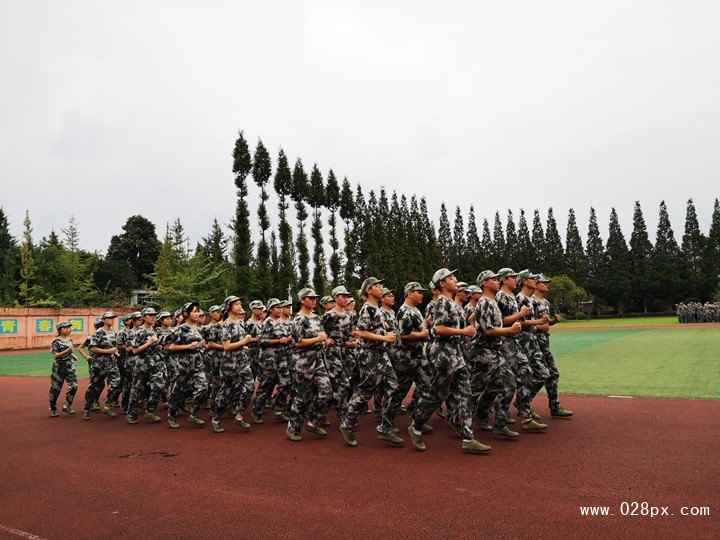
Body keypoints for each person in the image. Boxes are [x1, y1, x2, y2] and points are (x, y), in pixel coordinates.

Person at [407, 269, 489, 454]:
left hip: (456, 353)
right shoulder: (442, 303)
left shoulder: (451, 303)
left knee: (465, 394)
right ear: (442, 284)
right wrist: (463, 332)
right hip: (443, 353)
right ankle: (416, 425)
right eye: (451, 278)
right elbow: (438, 329)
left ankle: (468, 437)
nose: (455, 279)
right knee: (437, 393)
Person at [339, 277, 404, 447]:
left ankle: (385, 427)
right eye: (377, 286)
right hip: (369, 355)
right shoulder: (367, 309)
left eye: (382, 285)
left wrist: (384, 328)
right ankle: (347, 424)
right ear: (368, 290)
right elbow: (362, 332)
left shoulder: (377, 310)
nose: (381, 288)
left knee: (394, 388)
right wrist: (384, 336)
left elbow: (372, 327)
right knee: (365, 391)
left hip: (381, 354)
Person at [467, 270, 521, 439]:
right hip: (483, 352)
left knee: (505, 384)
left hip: (495, 353)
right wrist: (510, 330)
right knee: (474, 390)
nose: (497, 281)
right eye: (493, 279)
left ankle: (495, 421)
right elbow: (488, 330)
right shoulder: (484, 303)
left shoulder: (492, 302)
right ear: (484, 283)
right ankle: (460, 421)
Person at [494, 268, 546, 433]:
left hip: (514, 341)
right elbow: (500, 321)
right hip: (505, 342)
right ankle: (499, 417)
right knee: (507, 382)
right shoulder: (500, 296)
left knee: (526, 375)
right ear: (504, 279)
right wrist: (520, 314)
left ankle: (525, 416)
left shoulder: (510, 297)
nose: (516, 279)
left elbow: (521, 320)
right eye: (512, 277)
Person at [286, 288, 333, 442]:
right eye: (310, 298)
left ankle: (313, 421)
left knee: (327, 391)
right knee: (302, 397)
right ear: (302, 300)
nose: (313, 300)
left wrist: (325, 340)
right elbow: (298, 343)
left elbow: (322, 333)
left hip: (318, 359)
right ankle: (293, 428)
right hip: (303, 361)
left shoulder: (317, 318)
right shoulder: (299, 319)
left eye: (315, 298)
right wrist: (318, 339)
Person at [389, 282, 433, 433]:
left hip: (418, 355)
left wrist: (424, 332)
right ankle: (385, 423)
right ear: (409, 293)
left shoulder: (415, 310)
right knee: (400, 391)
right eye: (418, 292)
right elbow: (404, 334)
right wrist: (422, 334)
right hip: (405, 356)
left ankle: (416, 418)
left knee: (427, 385)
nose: (421, 294)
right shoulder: (404, 311)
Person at [210, 296, 254, 433]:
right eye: (236, 304)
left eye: (240, 304)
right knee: (226, 393)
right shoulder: (227, 325)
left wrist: (243, 346)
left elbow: (239, 342)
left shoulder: (241, 322)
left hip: (242, 361)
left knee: (250, 386)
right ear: (229, 307)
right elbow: (226, 346)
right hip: (230, 363)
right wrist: (244, 342)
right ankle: (216, 418)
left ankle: (239, 415)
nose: (240, 306)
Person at [531, 274, 573, 417]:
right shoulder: (531, 302)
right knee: (540, 374)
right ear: (535, 285)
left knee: (553, 374)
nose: (547, 285)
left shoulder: (546, 302)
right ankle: (523, 402)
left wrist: (554, 322)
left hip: (544, 343)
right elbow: (524, 324)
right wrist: (538, 328)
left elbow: (545, 323)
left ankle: (554, 406)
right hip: (533, 344)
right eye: (544, 283)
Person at [166, 302, 210, 429]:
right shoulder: (180, 329)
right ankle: (172, 414)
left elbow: (202, 343)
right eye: (194, 311)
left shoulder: (198, 328)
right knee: (179, 391)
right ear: (186, 314)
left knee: (203, 387)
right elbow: (170, 346)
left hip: (197, 361)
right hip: (183, 363)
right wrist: (188, 346)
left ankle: (194, 413)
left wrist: (201, 346)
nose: (197, 314)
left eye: (198, 311)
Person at [251, 298, 292, 425]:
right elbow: (262, 341)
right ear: (270, 309)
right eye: (277, 307)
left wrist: (287, 339)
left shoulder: (280, 322)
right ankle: (257, 411)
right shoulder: (268, 322)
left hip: (281, 357)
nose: (280, 309)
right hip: (269, 359)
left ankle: (279, 410)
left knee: (286, 383)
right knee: (265, 386)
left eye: (281, 307)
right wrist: (278, 341)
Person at [320, 285, 355, 425]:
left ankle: (318, 414)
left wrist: (355, 334)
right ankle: (344, 417)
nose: (345, 298)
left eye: (347, 296)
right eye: (342, 296)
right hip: (331, 352)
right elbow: (319, 329)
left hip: (344, 352)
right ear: (335, 298)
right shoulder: (329, 315)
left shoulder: (349, 315)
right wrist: (325, 339)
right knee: (342, 384)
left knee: (339, 385)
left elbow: (350, 331)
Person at [125, 308, 166, 424]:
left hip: (155, 362)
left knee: (160, 386)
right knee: (137, 390)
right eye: (150, 315)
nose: (153, 317)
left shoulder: (154, 330)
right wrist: (149, 343)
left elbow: (156, 345)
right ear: (143, 317)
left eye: (154, 315)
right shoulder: (138, 332)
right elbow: (135, 351)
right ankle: (131, 413)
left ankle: (149, 410)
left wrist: (158, 347)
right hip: (142, 363)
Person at [82, 312, 122, 421]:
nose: (112, 320)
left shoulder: (113, 333)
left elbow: (113, 347)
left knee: (117, 383)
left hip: (111, 363)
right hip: (99, 364)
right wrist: (108, 351)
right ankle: (87, 408)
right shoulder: (98, 333)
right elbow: (93, 349)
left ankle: (107, 404)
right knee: (95, 387)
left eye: (113, 318)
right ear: (104, 320)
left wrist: (115, 352)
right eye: (110, 318)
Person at [48, 321, 79, 416]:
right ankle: (52, 407)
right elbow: (56, 355)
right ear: (60, 330)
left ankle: (67, 405)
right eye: (65, 328)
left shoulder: (70, 340)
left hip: (70, 366)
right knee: (56, 388)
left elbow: (69, 351)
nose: (67, 329)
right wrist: (67, 351)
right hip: (59, 367)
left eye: (68, 328)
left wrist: (73, 355)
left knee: (74, 386)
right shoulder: (56, 341)